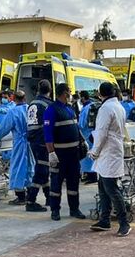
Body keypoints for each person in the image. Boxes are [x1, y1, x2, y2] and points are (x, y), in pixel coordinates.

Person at [0, 90, 44, 210]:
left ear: (13, 98)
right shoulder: (31, 109)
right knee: (31, 168)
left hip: (19, 143)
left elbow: (3, 130)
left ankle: (21, 197)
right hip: (32, 143)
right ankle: (31, 195)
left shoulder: (13, 112)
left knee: (18, 169)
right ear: (25, 98)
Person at [88, 82, 130, 237]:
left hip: (107, 151)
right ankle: (104, 220)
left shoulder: (105, 108)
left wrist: (94, 151)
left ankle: (124, 223)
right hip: (111, 151)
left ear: (101, 94)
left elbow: (101, 133)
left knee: (111, 188)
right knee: (103, 188)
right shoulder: (119, 106)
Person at [44, 83, 87, 221]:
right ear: (64, 93)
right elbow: (48, 133)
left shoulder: (70, 109)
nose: (71, 94)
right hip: (59, 154)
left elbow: (76, 127)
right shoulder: (51, 110)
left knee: (74, 182)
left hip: (73, 154)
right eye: (69, 91)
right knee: (56, 183)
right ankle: (55, 210)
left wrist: (82, 140)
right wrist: (51, 153)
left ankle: (74, 209)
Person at [25, 80, 53, 211]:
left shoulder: (32, 103)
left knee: (43, 169)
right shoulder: (48, 105)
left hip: (33, 140)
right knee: (41, 170)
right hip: (43, 141)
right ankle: (31, 200)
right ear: (50, 90)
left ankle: (49, 197)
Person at [77, 91, 97, 184]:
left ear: (83, 98)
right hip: (93, 133)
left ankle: (91, 176)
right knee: (91, 156)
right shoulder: (93, 106)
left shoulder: (86, 108)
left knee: (87, 156)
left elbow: (81, 124)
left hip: (86, 135)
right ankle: (91, 175)